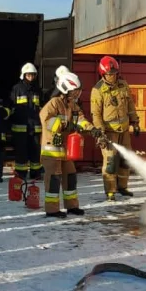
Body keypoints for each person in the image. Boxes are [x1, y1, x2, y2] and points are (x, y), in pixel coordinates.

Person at [38, 72, 102, 218]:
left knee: (71, 177)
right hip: (52, 151)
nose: (77, 93)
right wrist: (64, 124)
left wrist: (92, 129)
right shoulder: (54, 103)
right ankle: (52, 209)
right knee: (54, 179)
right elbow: (45, 119)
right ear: (66, 88)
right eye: (75, 91)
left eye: (78, 91)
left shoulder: (72, 105)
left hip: (66, 151)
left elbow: (80, 119)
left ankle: (72, 207)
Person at [90, 55, 140, 201]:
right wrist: (101, 133)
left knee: (125, 160)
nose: (113, 76)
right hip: (108, 133)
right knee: (111, 162)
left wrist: (135, 122)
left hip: (123, 131)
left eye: (114, 74)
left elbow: (130, 105)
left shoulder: (123, 85)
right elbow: (96, 114)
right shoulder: (98, 90)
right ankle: (110, 191)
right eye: (109, 74)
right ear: (103, 74)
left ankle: (123, 187)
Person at [8, 63, 43, 181]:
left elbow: (42, 107)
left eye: (33, 75)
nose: (31, 77)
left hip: (35, 127)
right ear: (23, 75)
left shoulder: (37, 90)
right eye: (28, 75)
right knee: (21, 152)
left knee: (35, 151)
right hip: (20, 127)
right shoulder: (17, 88)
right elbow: (11, 106)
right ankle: (21, 173)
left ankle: (35, 173)